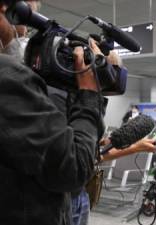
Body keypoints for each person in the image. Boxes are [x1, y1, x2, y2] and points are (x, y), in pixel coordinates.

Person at [0, 1, 104, 225]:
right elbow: (73, 167)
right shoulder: (7, 78)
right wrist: (88, 93)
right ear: (5, 9)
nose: (26, 32)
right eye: (24, 21)